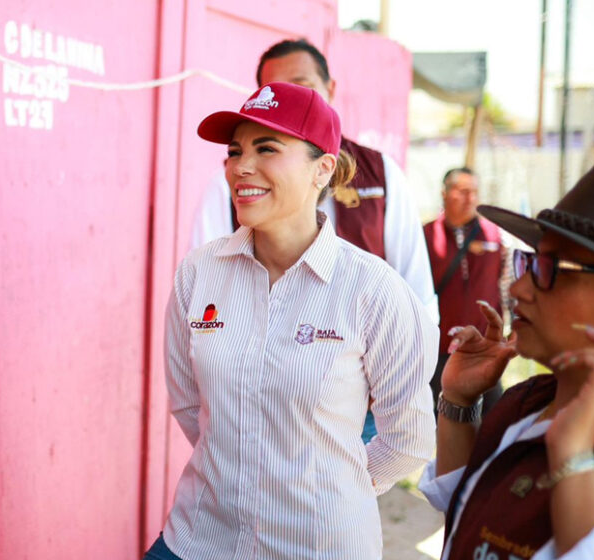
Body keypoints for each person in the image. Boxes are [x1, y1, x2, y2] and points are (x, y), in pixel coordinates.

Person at [146, 82, 436, 560]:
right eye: (235, 151)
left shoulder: (372, 290)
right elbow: (190, 407)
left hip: (318, 547)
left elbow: (408, 438)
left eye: (267, 149)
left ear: (323, 169)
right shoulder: (198, 275)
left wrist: (330, 488)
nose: (241, 166)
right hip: (197, 540)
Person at [419, 161, 594, 559]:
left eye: (551, 269)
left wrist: (573, 452)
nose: (520, 288)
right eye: (530, 261)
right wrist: (458, 402)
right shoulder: (527, 400)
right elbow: (464, 505)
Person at [190, 39, 437, 323]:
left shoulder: (382, 175)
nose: (290, 104)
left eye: (302, 87)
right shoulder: (228, 184)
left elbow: (417, 302)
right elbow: (204, 305)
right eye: (277, 93)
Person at [423, 167, 511, 413]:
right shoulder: (426, 236)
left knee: (493, 418)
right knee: (443, 417)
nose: (470, 198)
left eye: (474, 192)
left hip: (485, 346)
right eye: (462, 191)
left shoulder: (495, 235)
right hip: (440, 348)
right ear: (445, 193)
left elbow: (507, 285)